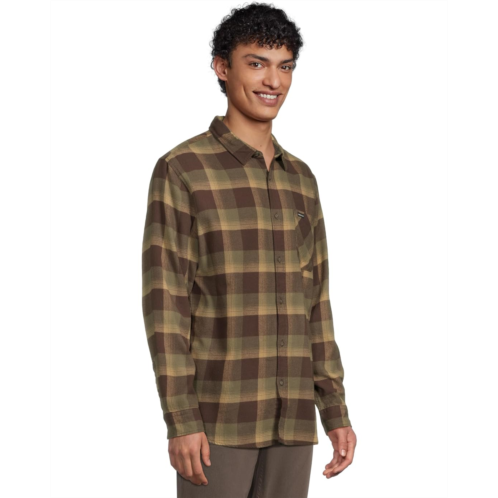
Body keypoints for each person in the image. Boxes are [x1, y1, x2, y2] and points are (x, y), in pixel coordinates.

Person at [141, 3, 357, 497]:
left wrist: (335, 410)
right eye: (256, 63)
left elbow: (316, 305)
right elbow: (165, 302)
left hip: (294, 420)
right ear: (222, 67)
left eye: (285, 66)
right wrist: (181, 418)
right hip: (219, 420)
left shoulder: (301, 178)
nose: (273, 81)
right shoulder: (183, 169)